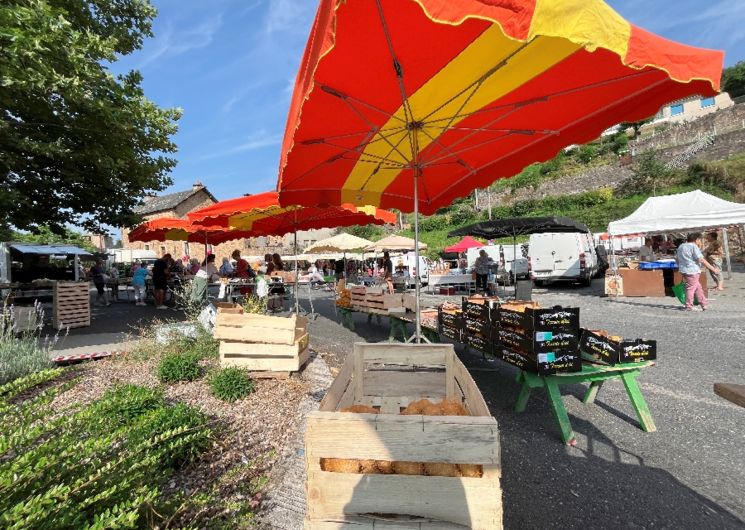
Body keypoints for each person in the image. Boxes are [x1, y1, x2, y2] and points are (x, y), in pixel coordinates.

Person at [676, 233, 719, 311]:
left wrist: (680, 266)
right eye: (700, 240)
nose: (700, 242)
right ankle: (689, 306)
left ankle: (704, 304)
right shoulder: (693, 246)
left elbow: (676, 258)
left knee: (698, 287)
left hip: (684, 269)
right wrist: (713, 269)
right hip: (692, 270)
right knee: (691, 288)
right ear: (696, 240)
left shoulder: (681, 246)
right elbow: (701, 259)